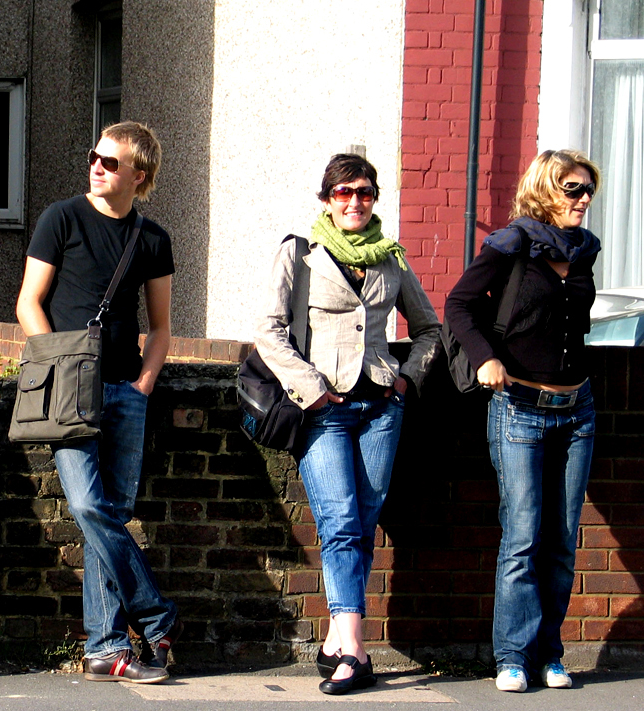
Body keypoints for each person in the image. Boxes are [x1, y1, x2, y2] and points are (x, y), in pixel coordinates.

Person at [255, 153, 441, 695]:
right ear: (326, 200)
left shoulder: (391, 259)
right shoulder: (300, 253)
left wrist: (406, 379)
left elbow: (429, 328)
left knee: (362, 519)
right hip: (324, 412)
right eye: (344, 193)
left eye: (364, 193)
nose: (355, 202)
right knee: (340, 523)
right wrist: (311, 392)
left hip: (382, 408)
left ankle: (338, 637)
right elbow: (269, 332)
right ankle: (355, 652)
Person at [15, 121, 181, 684]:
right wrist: (58, 370)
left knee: (107, 516)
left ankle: (106, 647)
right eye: (95, 156)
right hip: (70, 391)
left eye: (111, 161)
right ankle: (157, 618)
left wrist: (144, 384)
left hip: (126, 391)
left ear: (140, 173)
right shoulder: (61, 218)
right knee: (90, 506)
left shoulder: (152, 238)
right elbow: (29, 304)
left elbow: (160, 327)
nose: (97, 166)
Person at [444, 149, 601, 693]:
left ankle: (549, 654)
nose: (583, 200)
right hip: (521, 411)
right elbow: (459, 304)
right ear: (545, 190)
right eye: (572, 189)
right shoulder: (510, 245)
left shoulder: (584, 251)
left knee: (561, 539)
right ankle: (512, 656)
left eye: (587, 190)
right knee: (523, 536)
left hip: (576, 409)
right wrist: (487, 358)